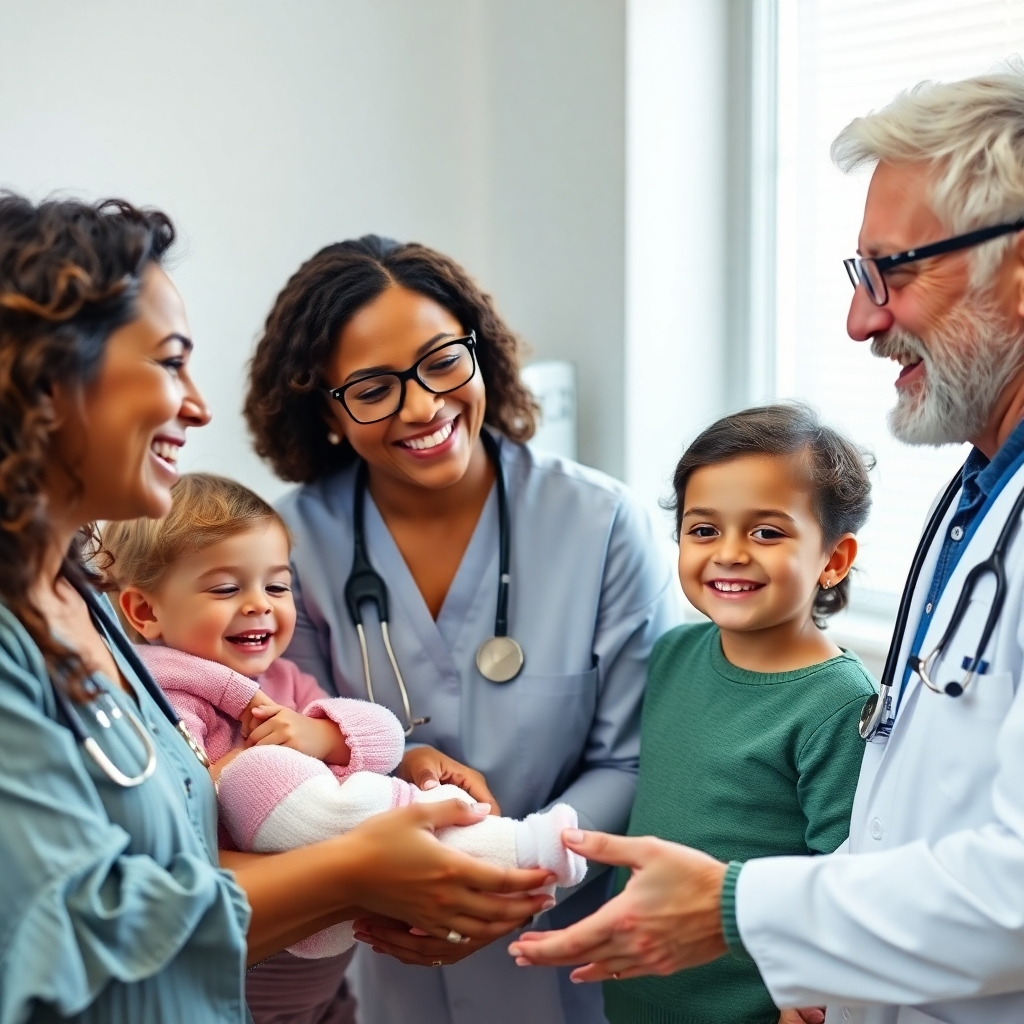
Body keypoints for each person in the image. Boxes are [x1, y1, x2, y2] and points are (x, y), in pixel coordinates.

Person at [509, 66, 1024, 1024]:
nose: (859, 320)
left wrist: (740, 911)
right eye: (856, 276)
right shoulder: (983, 495)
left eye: (893, 271)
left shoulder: (826, 693)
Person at [0, 194, 555, 1024]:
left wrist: (379, 816)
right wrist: (353, 871)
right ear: (45, 381)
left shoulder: (82, 600)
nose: (197, 405)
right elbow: (75, 929)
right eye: (169, 362)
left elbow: (186, 851)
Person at [243, 235, 681, 1024]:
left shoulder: (601, 522)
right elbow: (292, 744)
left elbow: (633, 757)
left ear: (480, 353)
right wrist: (396, 779)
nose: (422, 405)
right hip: (386, 952)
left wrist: (525, 872)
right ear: (329, 412)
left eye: (442, 360)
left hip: (568, 955)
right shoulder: (288, 545)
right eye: (373, 388)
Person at [101, 471, 585, 1016]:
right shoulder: (156, 698)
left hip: (325, 991)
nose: (260, 605)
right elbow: (176, 813)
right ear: (145, 612)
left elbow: (381, 740)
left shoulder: (284, 684)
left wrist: (327, 735)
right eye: (225, 588)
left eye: (277, 585)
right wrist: (228, 773)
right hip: (231, 988)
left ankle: (491, 853)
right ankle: (512, 852)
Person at [602, 404, 874, 1024]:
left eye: (767, 532)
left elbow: (846, 883)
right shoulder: (672, 655)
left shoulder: (839, 704)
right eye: (703, 530)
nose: (728, 553)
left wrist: (812, 995)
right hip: (638, 999)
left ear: (833, 559)